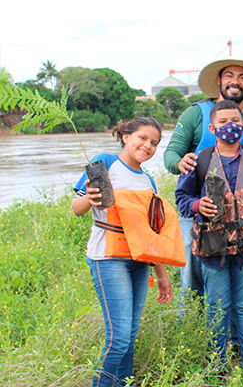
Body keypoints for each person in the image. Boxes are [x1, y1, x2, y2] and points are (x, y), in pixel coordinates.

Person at [175, 100, 243, 370]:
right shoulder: (199, 161)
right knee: (217, 305)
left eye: (234, 121)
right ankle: (217, 365)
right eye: (222, 122)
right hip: (213, 247)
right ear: (212, 128)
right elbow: (182, 198)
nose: (229, 127)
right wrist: (197, 205)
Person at [163, 58, 243, 312]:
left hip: (242, 222)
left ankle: (235, 341)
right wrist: (181, 163)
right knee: (193, 282)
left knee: (239, 290)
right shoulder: (196, 114)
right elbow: (170, 155)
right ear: (219, 81)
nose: (235, 81)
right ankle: (193, 337)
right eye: (229, 75)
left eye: (242, 77)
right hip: (201, 214)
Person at [72, 117, 174, 387]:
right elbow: (76, 208)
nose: (148, 146)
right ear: (126, 136)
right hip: (108, 259)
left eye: (154, 143)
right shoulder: (105, 162)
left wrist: (162, 276)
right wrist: (88, 197)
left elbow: (150, 234)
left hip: (139, 261)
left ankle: (123, 384)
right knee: (117, 339)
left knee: (130, 336)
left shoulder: (148, 181)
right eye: (142, 138)